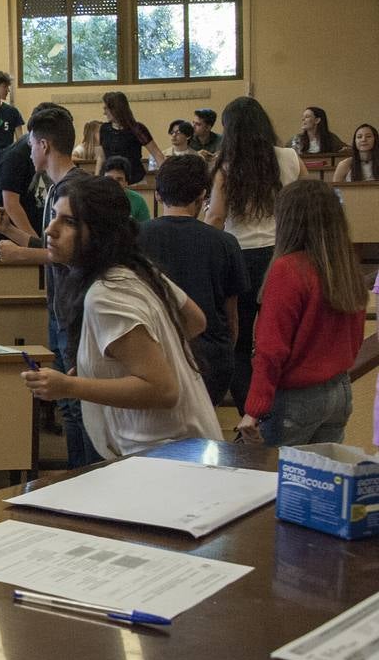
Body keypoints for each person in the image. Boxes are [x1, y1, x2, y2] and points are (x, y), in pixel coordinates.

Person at [21, 177, 220, 460]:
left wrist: (68, 386)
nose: (50, 230)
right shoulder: (134, 268)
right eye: (54, 216)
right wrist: (110, 368)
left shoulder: (106, 294)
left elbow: (163, 390)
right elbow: (196, 320)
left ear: (99, 232)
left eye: (69, 222)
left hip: (164, 456)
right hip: (182, 448)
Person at [0, 104, 102, 467]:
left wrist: (18, 256)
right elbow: (54, 247)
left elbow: (69, 255)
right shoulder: (69, 187)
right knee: (73, 402)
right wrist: (11, 232)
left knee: (75, 405)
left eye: (32, 146)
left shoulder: (68, 191)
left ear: (43, 145)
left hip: (73, 309)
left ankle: (84, 480)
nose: (30, 152)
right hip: (65, 306)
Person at [237, 180, 366, 446]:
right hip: (339, 390)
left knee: (278, 480)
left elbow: (271, 349)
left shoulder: (288, 269)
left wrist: (253, 409)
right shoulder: (345, 267)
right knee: (321, 481)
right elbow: (355, 337)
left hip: (295, 397)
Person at [205, 95, 309, 413]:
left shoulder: (226, 166)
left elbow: (216, 218)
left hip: (240, 256)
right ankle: (279, 406)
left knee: (238, 340)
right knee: (278, 334)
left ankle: (249, 412)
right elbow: (308, 201)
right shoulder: (289, 157)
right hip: (282, 256)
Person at [138, 154, 247, 407]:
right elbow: (232, 317)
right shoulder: (226, 243)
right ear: (202, 196)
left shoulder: (134, 238)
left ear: (157, 195)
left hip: (154, 352)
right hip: (211, 358)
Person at [0, 102, 61, 258]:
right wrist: (36, 244)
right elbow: (11, 204)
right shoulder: (16, 156)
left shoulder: (47, 155)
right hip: (9, 244)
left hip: (31, 240)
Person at [93, 91, 162, 186]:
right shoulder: (104, 129)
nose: (104, 113)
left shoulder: (138, 129)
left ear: (115, 109)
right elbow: (101, 157)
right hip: (110, 182)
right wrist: (96, 179)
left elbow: (156, 153)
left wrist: (166, 175)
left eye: (106, 108)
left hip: (135, 181)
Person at [99, 156, 152, 223]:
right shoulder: (94, 199)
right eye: (109, 178)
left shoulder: (138, 200)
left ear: (126, 182)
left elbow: (145, 229)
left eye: (119, 179)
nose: (114, 183)